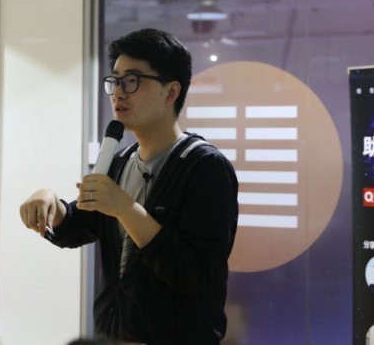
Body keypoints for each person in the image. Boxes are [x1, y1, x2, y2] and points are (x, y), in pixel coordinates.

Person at [20, 28, 239, 345]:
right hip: (115, 334)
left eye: (132, 81)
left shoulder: (205, 166)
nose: (118, 93)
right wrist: (50, 202)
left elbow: (193, 274)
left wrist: (125, 208)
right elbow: (81, 226)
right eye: (115, 81)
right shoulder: (120, 160)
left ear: (171, 91)